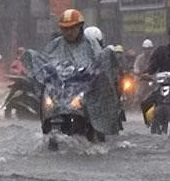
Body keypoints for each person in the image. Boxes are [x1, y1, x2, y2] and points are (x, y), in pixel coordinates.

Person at [24, 9, 121, 139]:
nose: (68, 32)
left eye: (71, 28)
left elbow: (100, 61)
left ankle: (98, 130)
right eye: (65, 29)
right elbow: (45, 60)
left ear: (79, 27)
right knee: (44, 95)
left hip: (86, 88)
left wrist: (94, 71)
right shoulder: (55, 44)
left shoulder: (90, 44)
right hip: (61, 88)